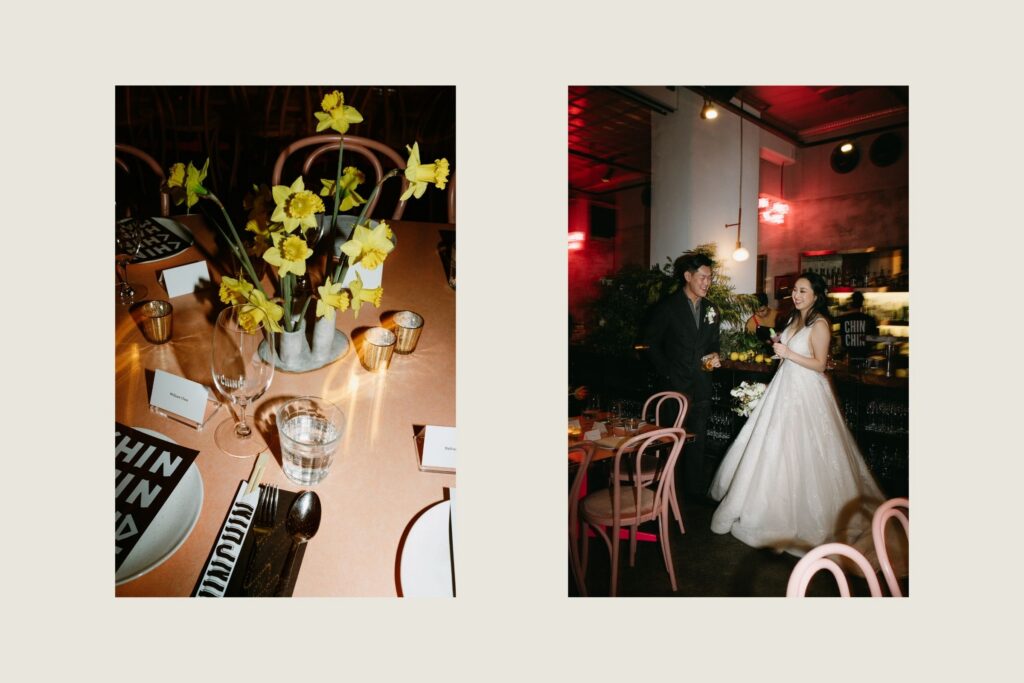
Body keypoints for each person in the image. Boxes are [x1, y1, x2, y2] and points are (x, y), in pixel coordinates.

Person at [709, 271, 886, 556]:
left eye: (803, 291)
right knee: (772, 445)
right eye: (795, 290)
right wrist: (778, 363)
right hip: (784, 386)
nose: (796, 295)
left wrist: (789, 353)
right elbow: (787, 354)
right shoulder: (793, 319)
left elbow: (819, 364)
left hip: (807, 392)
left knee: (804, 449)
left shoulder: (820, 324)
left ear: (816, 295)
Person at [642, 252, 721, 498]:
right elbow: (649, 344)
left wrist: (715, 355)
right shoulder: (667, 307)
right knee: (672, 441)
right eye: (703, 277)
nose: (707, 282)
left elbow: (714, 343)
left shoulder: (712, 309)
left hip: (702, 385)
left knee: (698, 442)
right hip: (674, 388)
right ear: (688, 276)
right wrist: (668, 373)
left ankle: (693, 493)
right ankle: (668, 492)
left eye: (710, 277)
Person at [837, 291, 878, 360]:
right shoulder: (870, 319)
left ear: (851, 303)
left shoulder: (844, 319)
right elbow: (874, 340)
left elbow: (840, 341)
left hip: (848, 358)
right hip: (865, 357)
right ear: (862, 303)